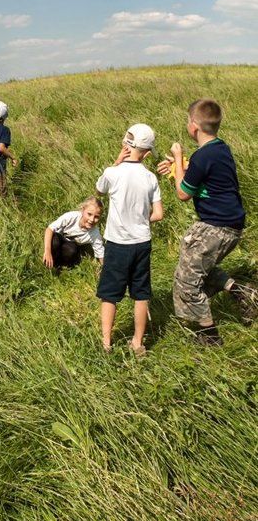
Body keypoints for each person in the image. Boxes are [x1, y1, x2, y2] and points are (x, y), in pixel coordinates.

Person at [157, 99, 256, 346]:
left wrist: (178, 157)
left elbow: (183, 193)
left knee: (186, 281)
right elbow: (203, 175)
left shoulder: (202, 157)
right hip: (230, 226)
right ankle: (244, 294)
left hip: (216, 227)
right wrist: (178, 167)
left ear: (193, 126)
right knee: (197, 266)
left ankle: (209, 336)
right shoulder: (221, 149)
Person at [96, 124, 164, 354]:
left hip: (117, 243)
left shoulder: (112, 173)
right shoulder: (150, 178)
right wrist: (141, 219)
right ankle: (137, 342)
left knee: (109, 294)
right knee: (141, 294)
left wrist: (116, 162)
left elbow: (99, 190)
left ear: (125, 144)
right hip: (142, 242)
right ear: (146, 153)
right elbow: (158, 214)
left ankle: (106, 343)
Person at [43, 197, 104, 272]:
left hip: (70, 245)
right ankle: (48, 262)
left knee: (72, 251)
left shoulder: (95, 233)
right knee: (54, 241)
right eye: (89, 214)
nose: (92, 219)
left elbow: (100, 253)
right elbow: (49, 229)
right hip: (59, 238)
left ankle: (59, 267)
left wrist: (106, 270)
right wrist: (47, 251)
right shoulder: (71, 216)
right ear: (83, 210)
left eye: (96, 217)